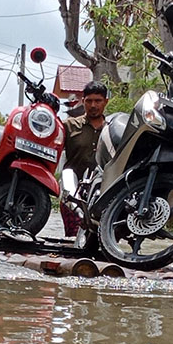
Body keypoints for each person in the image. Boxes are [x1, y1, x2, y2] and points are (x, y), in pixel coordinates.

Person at [61, 81, 108, 236]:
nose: (93, 105)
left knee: (100, 241)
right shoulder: (68, 126)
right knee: (72, 241)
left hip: (102, 197)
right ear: (83, 101)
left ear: (105, 102)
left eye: (98, 101)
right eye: (89, 101)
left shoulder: (112, 130)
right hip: (73, 195)